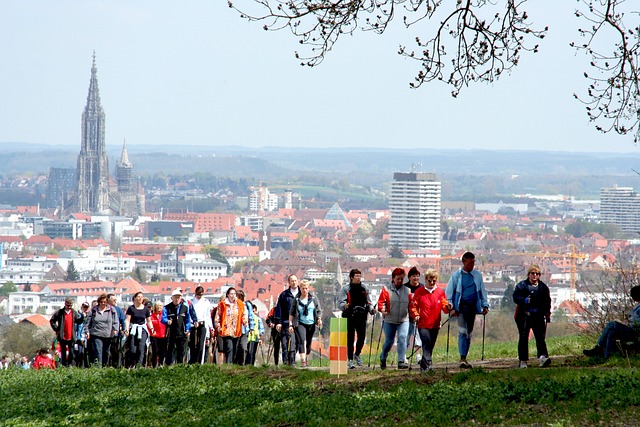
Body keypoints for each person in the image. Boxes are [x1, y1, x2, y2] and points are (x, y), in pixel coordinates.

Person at [445, 251, 489, 369]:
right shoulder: (456, 276)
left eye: (473, 263)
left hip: (473, 307)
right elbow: (449, 293)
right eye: (470, 263)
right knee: (463, 331)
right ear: (464, 262)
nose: (472, 266)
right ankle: (462, 357)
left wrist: (485, 305)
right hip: (461, 308)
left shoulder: (477, 275)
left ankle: (465, 357)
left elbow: (482, 291)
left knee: (469, 333)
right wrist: (452, 308)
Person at [583, 285, 640, 359]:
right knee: (611, 332)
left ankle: (599, 347)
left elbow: (636, 321)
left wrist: (630, 322)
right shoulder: (637, 306)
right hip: (631, 329)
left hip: (635, 331)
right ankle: (606, 356)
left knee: (611, 324)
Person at [410, 269, 450, 373]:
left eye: (434, 281)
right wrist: (416, 315)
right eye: (429, 281)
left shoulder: (440, 292)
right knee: (426, 342)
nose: (431, 283)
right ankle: (428, 363)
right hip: (423, 323)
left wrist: (449, 307)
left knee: (430, 345)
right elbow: (413, 306)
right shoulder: (420, 292)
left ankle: (424, 365)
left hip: (435, 324)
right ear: (426, 280)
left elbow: (444, 307)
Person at [513, 265, 552, 368]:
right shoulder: (522, 285)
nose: (535, 276)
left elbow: (547, 302)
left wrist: (547, 314)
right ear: (529, 274)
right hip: (523, 315)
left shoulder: (543, 288)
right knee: (524, 337)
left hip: (538, 316)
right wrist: (523, 300)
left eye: (537, 274)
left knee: (540, 337)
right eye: (533, 273)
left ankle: (543, 357)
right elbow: (515, 297)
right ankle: (523, 360)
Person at [339, 269, 376, 369]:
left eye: (360, 276)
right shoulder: (345, 289)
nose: (358, 278)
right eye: (356, 276)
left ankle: (357, 354)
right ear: (351, 277)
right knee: (350, 338)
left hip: (362, 316)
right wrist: (345, 306)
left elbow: (368, 302)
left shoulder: (364, 288)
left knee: (362, 337)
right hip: (350, 316)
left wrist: (372, 310)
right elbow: (340, 303)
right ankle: (350, 359)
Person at [377, 268, 411, 370]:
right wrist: (382, 310)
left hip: (403, 319)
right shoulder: (386, 289)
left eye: (402, 279)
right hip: (389, 320)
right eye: (398, 279)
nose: (400, 281)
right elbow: (381, 302)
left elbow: (411, 304)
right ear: (393, 278)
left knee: (402, 338)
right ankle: (383, 357)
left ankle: (401, 361)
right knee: (389, 341)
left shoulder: (407, 290)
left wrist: (415, 314)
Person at [289, 279, 323, 368]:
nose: (305, 290)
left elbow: (318, 310)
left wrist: (319, 319)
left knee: (308, 343)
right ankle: (303, 361)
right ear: (300, 288)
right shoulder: (296, 300)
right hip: (300, 323)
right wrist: (290, 324)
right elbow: (292, 313)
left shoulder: (313, 299)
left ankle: (306, 357)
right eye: (303, 288)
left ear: (308, 289)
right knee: (302, 340)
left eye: (306, 288)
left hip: (311, 323)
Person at [214, 287, 247, 364]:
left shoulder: (240, 304)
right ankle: (228, 364)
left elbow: (244, 313)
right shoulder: (222, 304)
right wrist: (218, 325)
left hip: (236, 330)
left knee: (235, 348)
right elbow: (218, 316)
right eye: (231, 294)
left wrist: (245, 321)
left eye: (234, 294)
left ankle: (232, 364)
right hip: (226, 330)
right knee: (230, 347)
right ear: (228, 295)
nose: (233, 295)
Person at [84, 293, 119, 367]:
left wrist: (115, 329)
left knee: (106, 352)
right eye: (101, 302)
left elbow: (116, 321)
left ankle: (105, 367)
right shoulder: (94, 310)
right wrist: (87, 332)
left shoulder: (112, 310)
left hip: (108, 334)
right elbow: (87, 322)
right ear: (99, 302)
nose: (103, 303)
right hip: (96, 334)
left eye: (105, 302)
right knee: (98, 351)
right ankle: (98, 368)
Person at [49, 298, 84, 366]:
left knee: (71, 352)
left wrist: (82, 317)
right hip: (63, 336)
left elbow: (78, 321)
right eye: (68, 305)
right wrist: (57, 329)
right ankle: (64, 365)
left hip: (71, 336)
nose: (69, 307)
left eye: (70, 306)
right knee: (63, 352)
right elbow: (52, 321)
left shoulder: (73, 312)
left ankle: (70, 365)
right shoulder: (60, 312)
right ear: (65, 304)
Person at [275, 274, 300, 366]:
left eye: (295, 280)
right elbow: (279, 309)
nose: (294, 282)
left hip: (298, 323)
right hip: (286, 322)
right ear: (289, 282)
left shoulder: (301, 294)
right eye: (292, 281)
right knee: (285, 343)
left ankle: (292, 359)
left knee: (296, 343)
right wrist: (278, 322)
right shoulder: (284, 295)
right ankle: (286, 362)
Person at [162, 288, 193, 365]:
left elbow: (187, 320)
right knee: (169, 349)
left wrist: (187, 329)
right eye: (175, 297)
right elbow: (163, 318)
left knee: (180, 350)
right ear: (172, 298)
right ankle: (168, 365)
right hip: (171, 332)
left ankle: (179, 366)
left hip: (181, 332)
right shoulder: (167, 307)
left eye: (178, 297)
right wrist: (167, 321)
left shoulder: (185, 308)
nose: (177, 299)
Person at [124, 291, 154, 368]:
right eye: (138, 296)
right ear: (135, 298)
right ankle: (132, 364)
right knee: (133, 349)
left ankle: (139, 366)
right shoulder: (131, 308)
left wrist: (152, 329)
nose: (140, 298)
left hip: (143, 330)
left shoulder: (145, 309)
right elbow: (127, 320)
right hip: (134, 329)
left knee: (141, 348)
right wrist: (126, 329)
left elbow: (149, 320)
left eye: (142, 296)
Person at [189, 286, 212, 365]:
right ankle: (192, 362)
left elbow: (207, 317)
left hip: (202, 325)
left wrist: (209, 332)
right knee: (193, 345)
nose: (199, 296)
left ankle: (200, 363)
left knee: (201, 345)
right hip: (193, 325)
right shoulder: (191, 302)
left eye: (201, 295)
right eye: (198, 294)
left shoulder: (206, 302)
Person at [404, 266, 423, 361]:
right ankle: (403, 356)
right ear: (409, 277)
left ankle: (418, 356)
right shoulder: (405, 288)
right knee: (406, 336)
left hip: (418, 316)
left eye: (417, 276)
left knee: (418, 337)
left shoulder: (422, 288)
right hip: (406, 316)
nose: (416, 278)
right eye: (414, 276)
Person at [234, 289, 255, 365]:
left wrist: (251, 328)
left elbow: (251, 317)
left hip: (244, 329)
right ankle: (234, 364)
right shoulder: (234, 305)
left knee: (243, 347)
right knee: (235, 348)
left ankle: (242, 364)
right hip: (234, 330)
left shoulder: (247, 305)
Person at [107, 293, 126, 367]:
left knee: (116, 351)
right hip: (106, 334)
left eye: (115, 299)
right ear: (108, 300)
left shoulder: (118, 310)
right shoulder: (105, 308)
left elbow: (123, 320)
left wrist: (124, 330)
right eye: (113, 299)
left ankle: (116, 365)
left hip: (116, 334)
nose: (115, 301)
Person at [149, 301, 167, 367]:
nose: (159, 307)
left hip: (163, 336)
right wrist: (152, 332)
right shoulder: (152, 316)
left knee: (162, 351)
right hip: (155, 336)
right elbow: (149, 325)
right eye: (157, 306)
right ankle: (154, 365)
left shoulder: (164, 316)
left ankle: (161, 364)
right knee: (155, 351)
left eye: (160, 306)